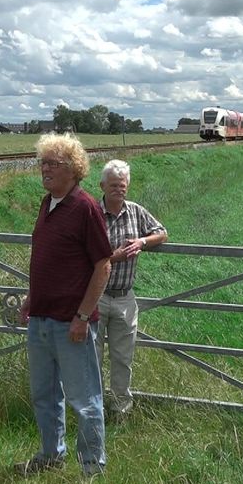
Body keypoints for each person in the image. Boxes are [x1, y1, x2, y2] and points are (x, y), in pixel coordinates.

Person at [17, 133, 113, 477]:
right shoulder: (47, 203)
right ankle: (50, 456)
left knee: (85, 401)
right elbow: (46, 260)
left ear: (73, 169)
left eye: (52, 164)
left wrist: (82, 316)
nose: (45, 169)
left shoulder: (86, 207)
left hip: (72, 323)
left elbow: (104, 265)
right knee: (44, 395)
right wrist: (31, 299)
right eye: (42, 162)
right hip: (42, 319)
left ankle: (92, 469)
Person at [95, 159, 168, 417]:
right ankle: (92, 410)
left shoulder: (136, 211)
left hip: (125, 298)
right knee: (92, 358)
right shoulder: (92, 212)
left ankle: (120, 410)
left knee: (123, 358)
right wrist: (115, 256)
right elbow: (82, 255)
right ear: (102, 186)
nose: (119, 189)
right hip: (95, 297)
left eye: (123, 185)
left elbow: (162, 232)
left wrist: (142, 241)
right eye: (113, 185)